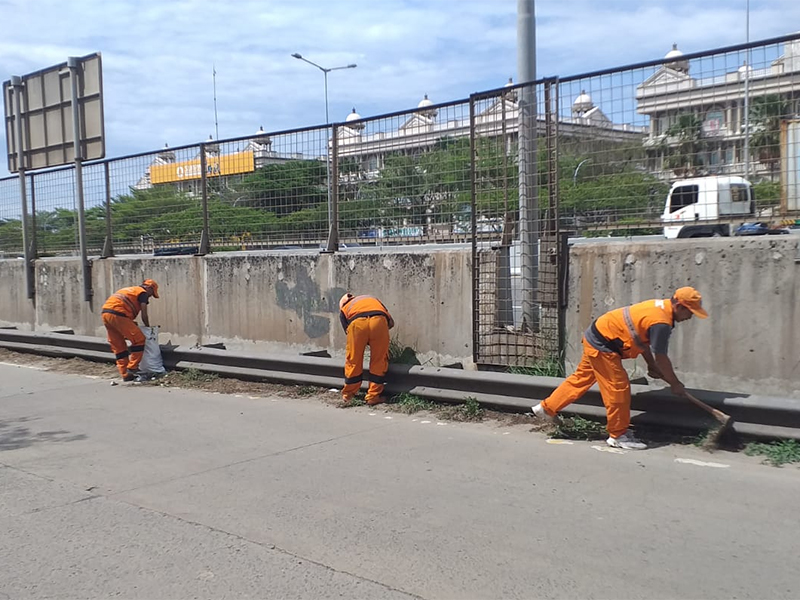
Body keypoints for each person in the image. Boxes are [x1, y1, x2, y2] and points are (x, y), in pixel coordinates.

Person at [531, 287, 709, 450]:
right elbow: (661, 356)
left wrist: (650, 364)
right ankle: (618, 435)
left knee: (581, 379)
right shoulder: (661, 323)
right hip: (604, 345)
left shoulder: (660, 308)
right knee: (618, 388)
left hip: (596, 335)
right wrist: (674, 383)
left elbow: (643, 340)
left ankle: (546, 408)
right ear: (679, 306)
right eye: (690, 312)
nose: (690, 317)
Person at [339, 293, 395, 406]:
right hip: (379, 320)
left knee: (353, 359)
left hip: (357, 323)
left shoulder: (345, 308)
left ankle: (349, 395)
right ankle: (373, 396)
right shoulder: (373, 299)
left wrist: (363, 339)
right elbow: (391, 322)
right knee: (379, 360)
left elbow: (347, 330)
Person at [101, 279, 160, 381]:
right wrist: (148, 327)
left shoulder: (130, 290)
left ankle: (125, 374)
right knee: (139, 339)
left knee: (119, 346)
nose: (150, 297)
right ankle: (132, 368)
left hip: (106, 314)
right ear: (150, 289)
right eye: (152, 294)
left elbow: (123, 305)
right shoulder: (143, 293)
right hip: (118, 314)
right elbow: (144, 314)